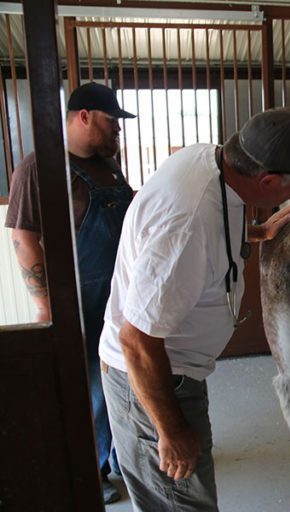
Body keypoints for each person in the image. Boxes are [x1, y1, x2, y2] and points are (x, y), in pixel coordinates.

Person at [98, 107, 290, 511]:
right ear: (266, 180)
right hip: (152, 378)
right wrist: (171, 429)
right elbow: (136, 340)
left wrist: (257, 231)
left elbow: (203, 234)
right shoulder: (188, 222)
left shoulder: (210, 160)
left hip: (177, 371)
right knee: (182, 504)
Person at [5, 81, 136, 504]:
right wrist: (48, 306)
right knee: (89, 392)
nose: (118, 131)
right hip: (78, 300)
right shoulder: (38, 168)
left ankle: (119, 458)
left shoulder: (110, 168)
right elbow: (25, 238)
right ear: (83, 117)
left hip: (120, 297)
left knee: (124, 382)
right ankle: (91, 471)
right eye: (111, 122)